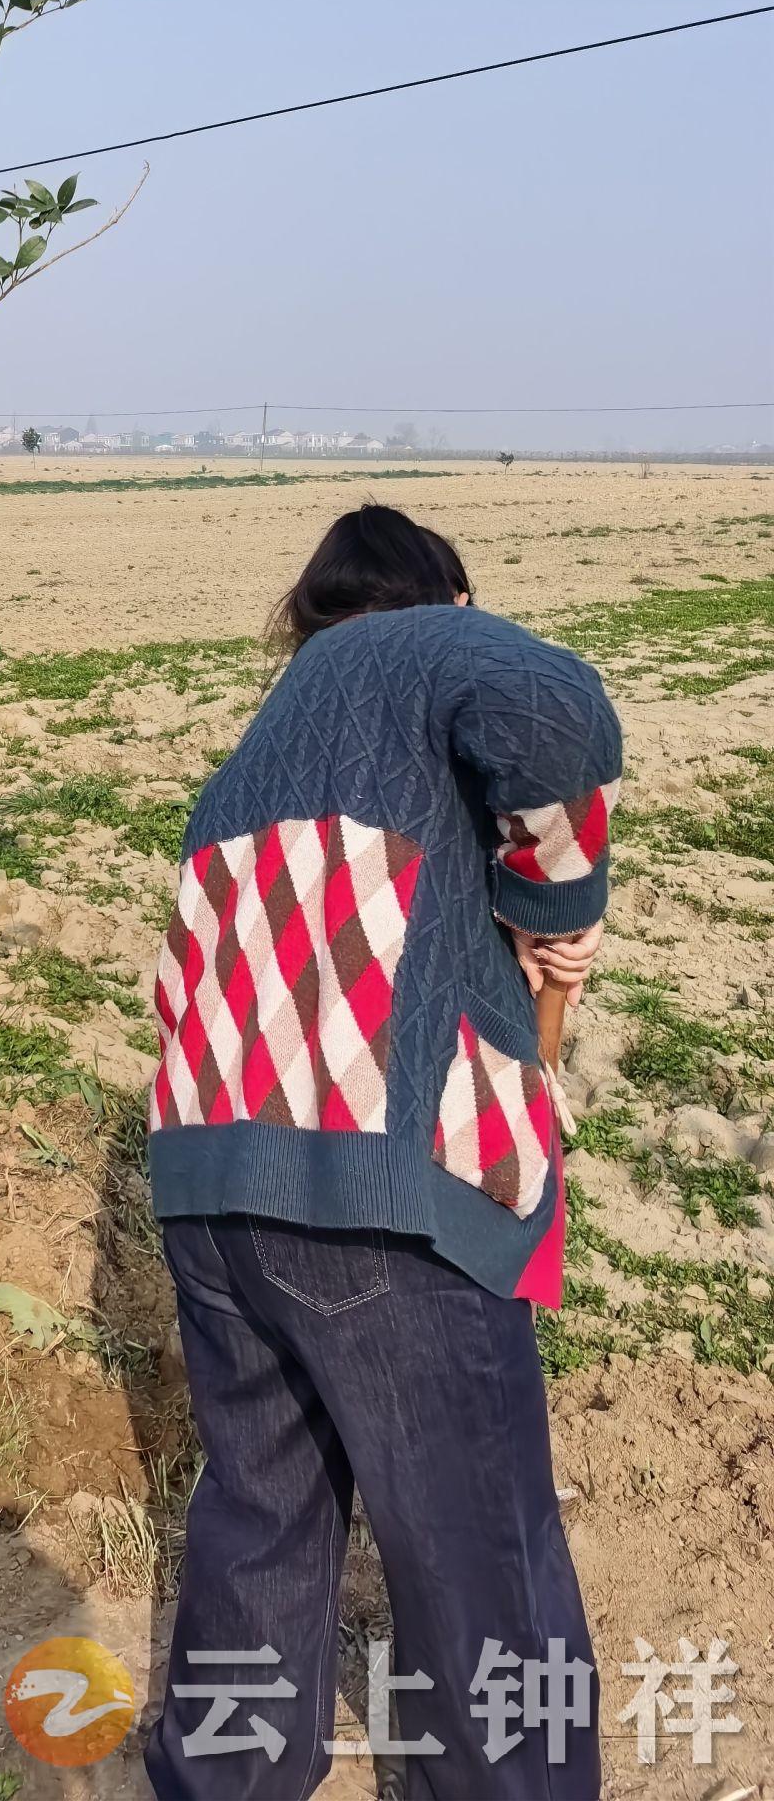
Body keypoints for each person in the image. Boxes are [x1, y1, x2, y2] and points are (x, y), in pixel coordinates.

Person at [144, 505, 620, 1799]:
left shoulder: (249, 763)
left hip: (211, 1196)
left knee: (261, 1526)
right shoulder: (422, 644)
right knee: (481, 1558)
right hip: (375, 1211)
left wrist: (515, 935)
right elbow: (552, 704)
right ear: (444, 599)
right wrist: (558, 901)